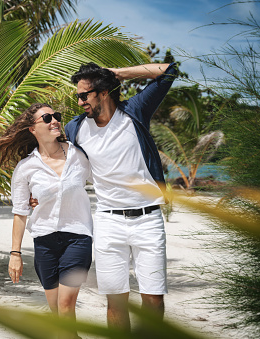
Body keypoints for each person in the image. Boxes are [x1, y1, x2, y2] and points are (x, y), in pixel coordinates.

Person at [63, 62, 178, 332]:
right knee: (115, 301)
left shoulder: (134, 111)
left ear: (103, 92)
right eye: (77, 96)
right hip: (107, 222)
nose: (79, 102)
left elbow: (169, 70)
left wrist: (119, 73)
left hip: (148, 219)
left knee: (153, 297)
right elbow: (55, 160)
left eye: (84, 95)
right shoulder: (75, 129)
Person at [0, 103, 93, 338]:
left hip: (78, 236)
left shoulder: (78, 155)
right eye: (47, 118)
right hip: (45, 241)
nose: (54, 120)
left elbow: (104, 180)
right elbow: (20, 212)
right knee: (57, 312)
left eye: (56, 116)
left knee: (65, 306)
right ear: (32, 129)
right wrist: (15, 254)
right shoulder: (26, 168)